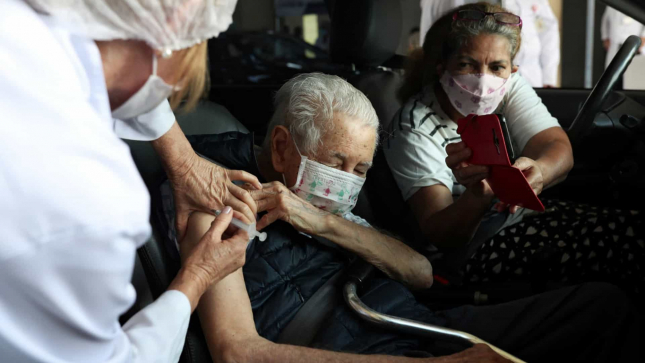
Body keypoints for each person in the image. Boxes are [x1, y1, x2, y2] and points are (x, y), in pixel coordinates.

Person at [164, 73, 642, 362]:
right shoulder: (216, 194)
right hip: (345, 343)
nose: (348, 181)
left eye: (361, 170)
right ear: (284, 146)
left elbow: (419, 272)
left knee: (603, 307)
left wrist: (324, 222)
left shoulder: (321, 195)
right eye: (336, 163)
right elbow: (238, 351)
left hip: (402, 317)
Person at [0, 0, 262, 361]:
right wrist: (198, 277)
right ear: (178, 16)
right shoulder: (94, 196)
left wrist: (184, 162)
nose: (179, 85)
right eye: (195, 46)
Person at [386, 2, 644, 299]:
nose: (484, 80)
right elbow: (441, 236)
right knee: (627, 244)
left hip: (517, 217)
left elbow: (557, 147)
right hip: (473, 252)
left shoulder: (508, 87)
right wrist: (479, 193)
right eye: (467, 64)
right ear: (442, 67)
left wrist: (539, 173)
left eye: (497, 67)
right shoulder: (414, 127)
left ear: (512, 70)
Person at [419, 0, 560, 87]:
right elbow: (431, 40)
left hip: (530, 78)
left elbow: (548, 31)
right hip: (471, 83)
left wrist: (549, 77)